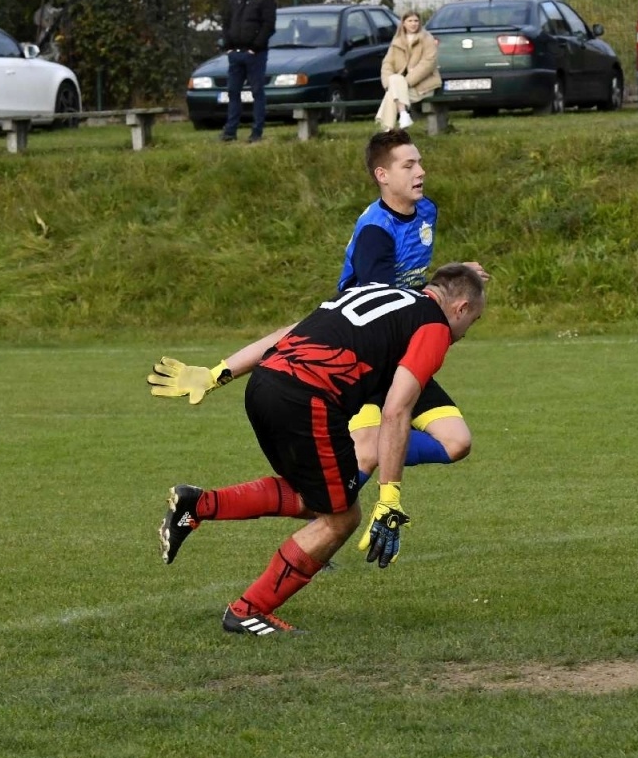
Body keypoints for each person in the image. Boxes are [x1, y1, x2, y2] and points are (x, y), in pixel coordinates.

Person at [149, 129, 482, 501]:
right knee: (359, 465)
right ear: (382, 176)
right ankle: (320, 515)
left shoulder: (426, 211)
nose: (420, 171)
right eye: (409, 165)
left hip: (400, 347)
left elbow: (408, 286)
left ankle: (353, 469)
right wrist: (216, 374)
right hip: (365, 353)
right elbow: (385, 302)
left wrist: (454, 277)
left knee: (456, 441)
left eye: (420, 162)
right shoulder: (375, 234)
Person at [159, 263, 486, 635]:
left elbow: (288, 334)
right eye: (472, 321)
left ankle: (199, 505)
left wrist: (218, 374)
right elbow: (396, 411)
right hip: (308, 401)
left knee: (318, 497)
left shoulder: (373, 292)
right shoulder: (433, 327)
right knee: (340, 518)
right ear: (460, 308)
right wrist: (390, 497)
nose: (465, 332)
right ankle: (248, 610)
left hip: (265, 386)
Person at [220, 0, 277, 144]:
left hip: (255, 54)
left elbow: (268, 26)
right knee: (233, 92)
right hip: (235, 53)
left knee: (257, 92)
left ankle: (256, 132)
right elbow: (226, 22)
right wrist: (228, 46)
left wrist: (255, 47)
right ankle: (230, 131)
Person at [376, 11, 440, 131]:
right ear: (403, 23)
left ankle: (388, 129)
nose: (413, 24)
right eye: (410, 21)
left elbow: (428, 64)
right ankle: (403, 115)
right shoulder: (397, 41)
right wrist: (388, 83)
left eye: (416, 21)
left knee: (391, 94)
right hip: (399, 85)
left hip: (423, 85)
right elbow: (387, 64)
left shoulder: (427, 39)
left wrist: (405, 82)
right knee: (394, 80)